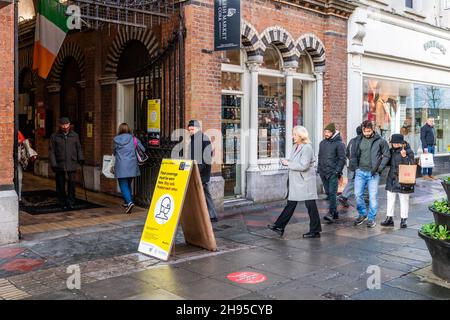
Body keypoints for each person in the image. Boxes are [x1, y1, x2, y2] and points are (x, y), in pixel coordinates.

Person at [268, 126, 322, 238]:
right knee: (291, 204)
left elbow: (304, 166)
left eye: (295, 135)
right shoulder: (295, 146)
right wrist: (287, 161)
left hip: (305, 181)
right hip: (296, 181)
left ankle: (315, 231)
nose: (293, 137)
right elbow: (295, 161)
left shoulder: (307, 148)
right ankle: (279, 226)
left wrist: (288, 164)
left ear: (301, 136)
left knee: (311, 206)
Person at [350, 120, 390, 228]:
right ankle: (363, 214)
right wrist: (356, 168)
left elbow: (386, 155)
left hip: (373, 173)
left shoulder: (381, 141)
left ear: (372, 129)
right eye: (365, 131)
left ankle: (371, 218)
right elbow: (353, 154)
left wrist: (379, 169)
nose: (366, 133)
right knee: (358, 195)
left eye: (368, 131)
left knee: (373, 197)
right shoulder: (358, 140)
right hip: (360, 172)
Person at [49, 117, 84, 209]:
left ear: (69, 125)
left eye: (67, 125)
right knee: (60, 183)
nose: (65, 127)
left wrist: (81, 158)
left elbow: (78, 148)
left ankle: (71, 200)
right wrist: (53, 163)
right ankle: (62, 201)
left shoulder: (75, 135)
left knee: (72, 183)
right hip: (59, 163)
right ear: (60, 125)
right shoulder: (54, 136)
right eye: (63, 125)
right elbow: (51, 151)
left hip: (71, 162)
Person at [381, 134, 415, 229]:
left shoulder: (408, 151)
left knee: (404, 200)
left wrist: (405, 157)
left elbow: (412, 164)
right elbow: (388, 163)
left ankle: (404, 220)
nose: (395, 145)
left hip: (404, 179)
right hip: (392, 178)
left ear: (402, 143)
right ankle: (389, 218)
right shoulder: (391, 151)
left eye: (397, 143)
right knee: (390, 198)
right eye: (393, 143)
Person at [188, 120, 218, 222]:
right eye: (189, 129)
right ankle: (203, 214)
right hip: (195, 171)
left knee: (205, 193)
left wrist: (197, 169)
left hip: (201, 172)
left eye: (192, 129)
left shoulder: (204, 139)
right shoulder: (193, 139)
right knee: (201, 194)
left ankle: (212, 215)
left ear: (198, 129)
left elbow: (206, 158)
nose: (190, 131)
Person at [113, 123, 145, 213]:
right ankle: (127, 202)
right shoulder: (134, 139)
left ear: (120, 129)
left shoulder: (116, 140)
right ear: (128, 129)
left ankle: (130, 202)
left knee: (123, 185)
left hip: (121, 166)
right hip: (132, 165)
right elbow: (142, 149)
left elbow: (114, 152)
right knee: (128, 184)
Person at [318, 123, 346, 223]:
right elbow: (319, 156)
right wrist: (319, 169)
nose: (326, 133)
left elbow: (342, 159)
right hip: (323, 172)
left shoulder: (339, 144)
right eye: (325, 131)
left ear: (333, 132)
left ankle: (330, 213)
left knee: (333, 193)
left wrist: (337, 171)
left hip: (333, 173)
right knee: (329, 193)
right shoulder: (322, 143)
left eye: (328, 132)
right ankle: (335, 213)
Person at [338, 126, 362, 208]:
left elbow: (347, 153)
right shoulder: (362, 141)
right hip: (358, 166)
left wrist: (351, 160)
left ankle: (344, 196)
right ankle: (344, 196)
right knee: (354, 182)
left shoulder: (352, 140)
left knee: (351, 181)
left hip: (351, 165)